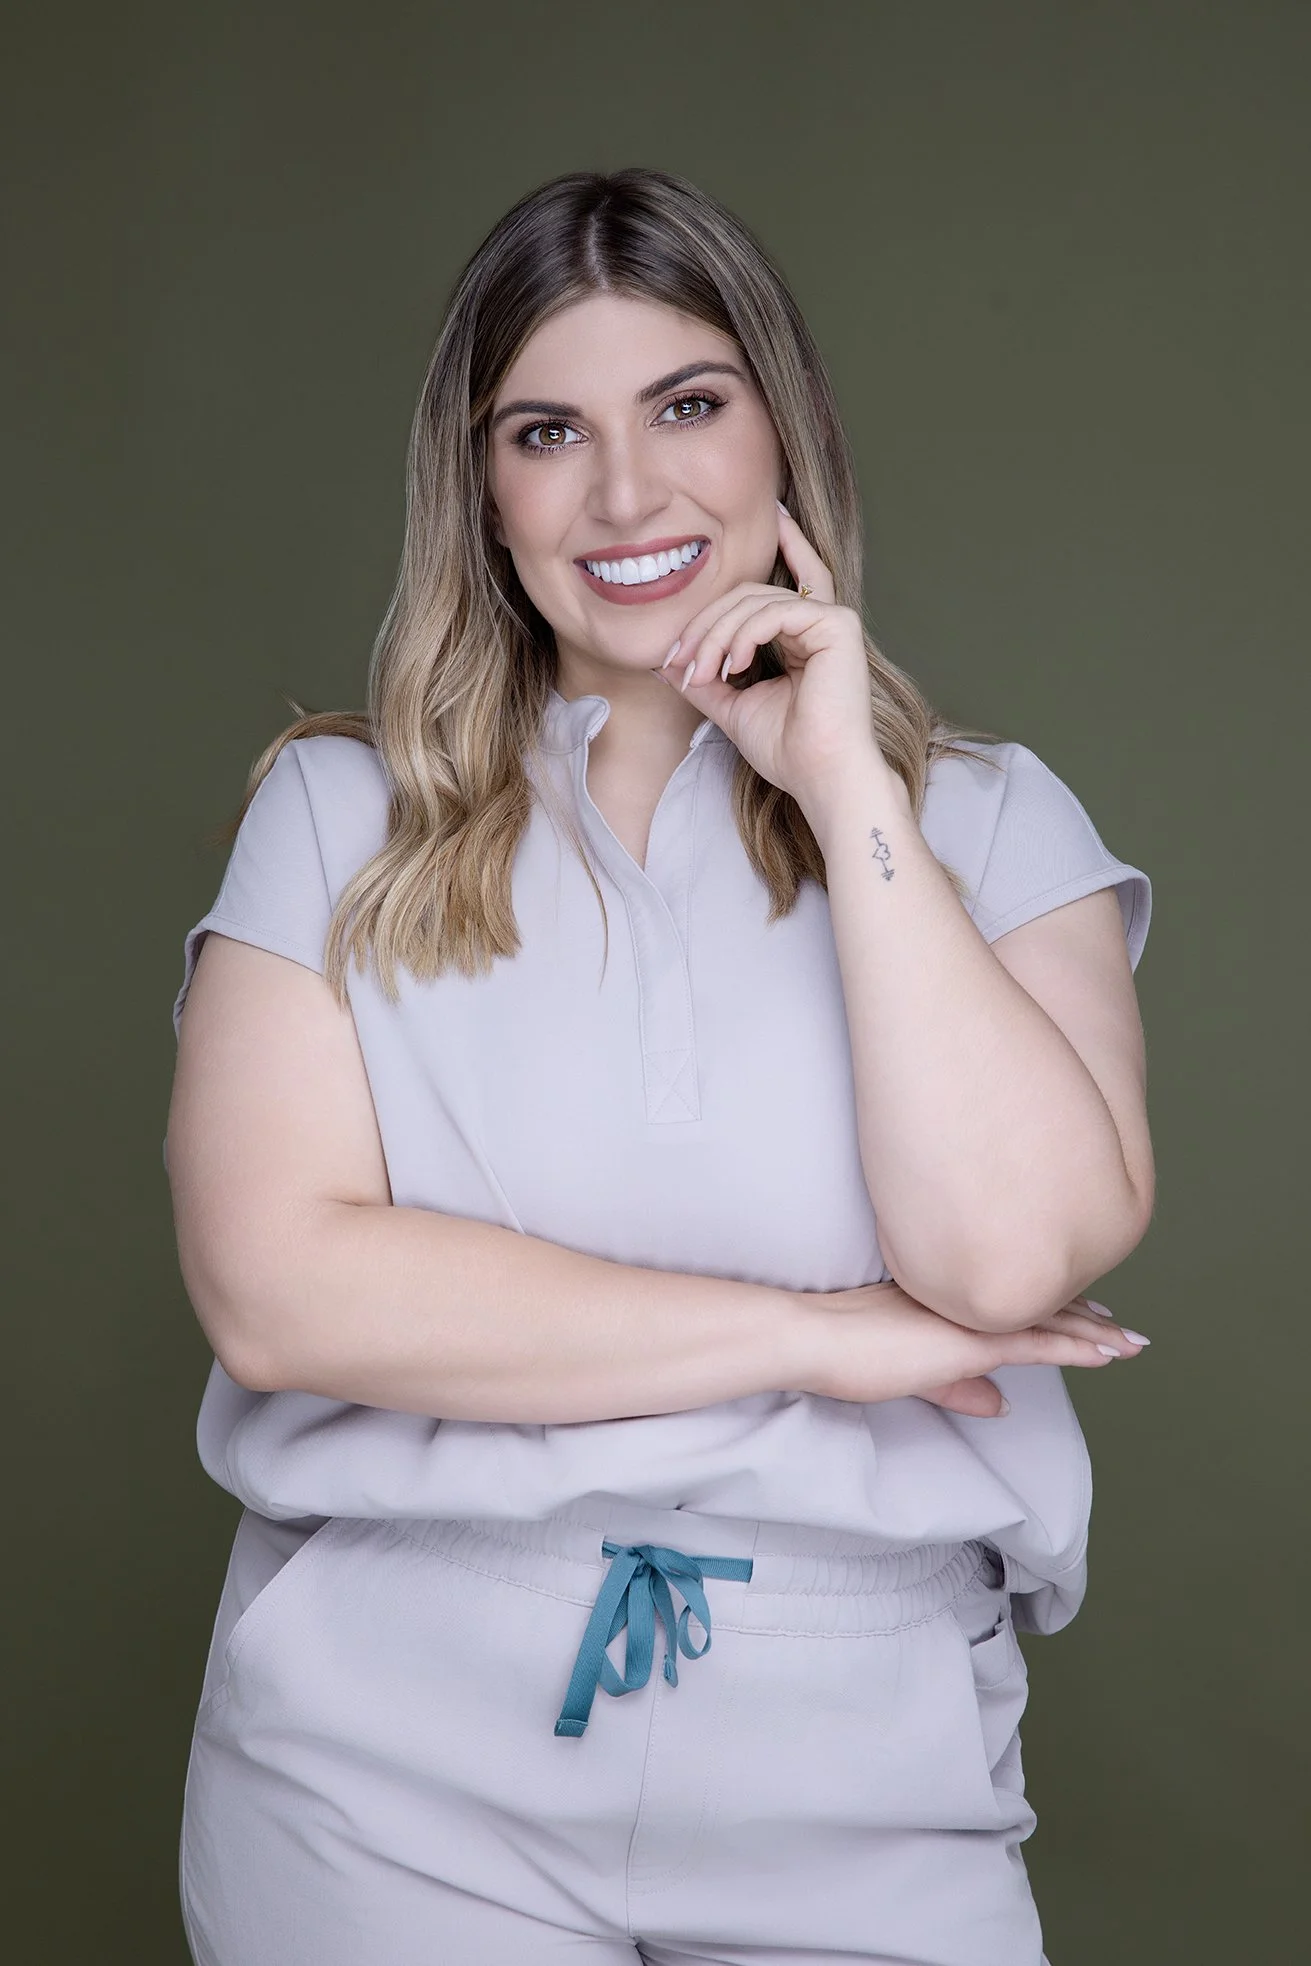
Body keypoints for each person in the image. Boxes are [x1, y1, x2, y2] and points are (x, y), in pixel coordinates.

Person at [165, 167, 1154, 1966]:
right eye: (548, 430)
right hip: (389, 1757)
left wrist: (846, 783)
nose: (626, 493)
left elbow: (1007, 1262)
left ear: (784, 429)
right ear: (480, 487)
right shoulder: (334, 817)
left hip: (862, 1758)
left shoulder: (991, 828)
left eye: (687, 406)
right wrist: (812, 1336)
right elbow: (279, 1294)